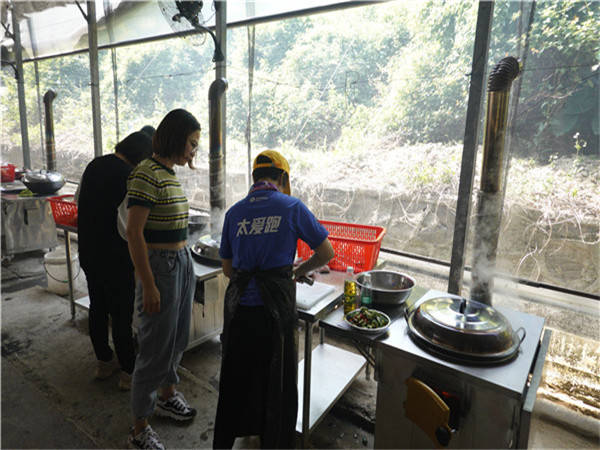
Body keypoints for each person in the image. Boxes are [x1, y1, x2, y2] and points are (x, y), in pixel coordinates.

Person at [213, 149, 335, 449]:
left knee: (236, 380)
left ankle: (226, 440)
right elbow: (326, 253)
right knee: (276, 382)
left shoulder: (234, 213)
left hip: (240, 310)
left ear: (255, 178)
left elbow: (228, 270)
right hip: (275, 314)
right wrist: (295, 271)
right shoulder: (292, 207)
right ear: (281, 178)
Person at [126, 109, 200, 450]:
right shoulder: (146, 173)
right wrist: (150, 283)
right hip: (161, 267)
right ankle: (140, 427)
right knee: (155, 347)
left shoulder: (169, 174)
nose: (193, 151)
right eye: (191, 144)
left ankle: (168, 393)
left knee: (177, 339)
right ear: (175, 138)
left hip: (182, 264)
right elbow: (134, 233)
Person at [77, 131, 153, 390]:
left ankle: (104, 361)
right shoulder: (128, 177)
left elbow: (79, 201)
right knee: (121, 315)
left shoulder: (94, 164)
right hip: (115, 259)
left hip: (88, 251)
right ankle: (129, 373)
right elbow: (127, 229)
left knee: (98, 307)